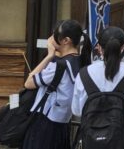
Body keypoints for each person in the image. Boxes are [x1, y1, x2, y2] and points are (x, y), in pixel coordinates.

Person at [71, 26, 124, 143]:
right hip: (120, 139)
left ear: (99, 47)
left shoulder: (84, 73)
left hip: (90, 139)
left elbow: (76, 111)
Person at [22, 20, 90, 149]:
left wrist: (49, 56)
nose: (50, 38)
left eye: (54, 34)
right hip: (64, 123)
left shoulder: (58, 65)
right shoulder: (81, 62)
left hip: (44, 123)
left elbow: (29, 82)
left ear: (66, 40)